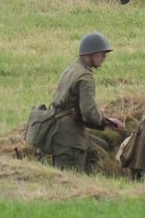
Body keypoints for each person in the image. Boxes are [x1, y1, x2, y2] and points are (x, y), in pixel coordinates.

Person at [47, 32, 125, 172]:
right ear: (91, 53)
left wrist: (105, 119)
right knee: (70, 179)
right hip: (70, 136)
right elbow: (89, 113)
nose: (104, 57)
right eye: (101, 53)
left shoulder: (71, 69)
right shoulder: (85, 77)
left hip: (58, 128)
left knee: (101, 145)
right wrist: (107, 122)